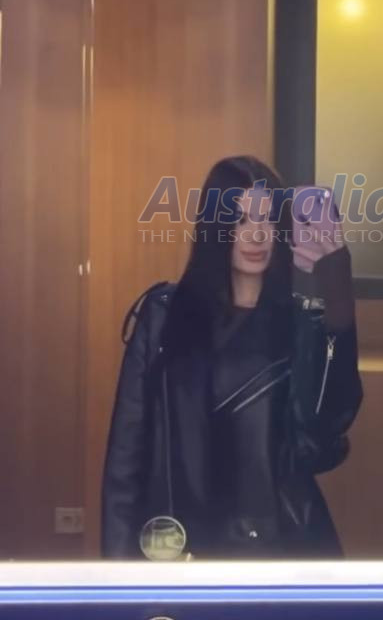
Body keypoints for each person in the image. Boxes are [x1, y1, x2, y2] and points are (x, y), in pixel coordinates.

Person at [101, 155, 362, 560]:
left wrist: (338, 303)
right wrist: (119, 573)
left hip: (280, 548)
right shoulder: (165, 316)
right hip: (179, 550)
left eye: (268, 219)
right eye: (240, 220)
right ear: (215, 227)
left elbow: (321, 445)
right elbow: (126, 456)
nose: (256, 234)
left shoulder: (300, 323)